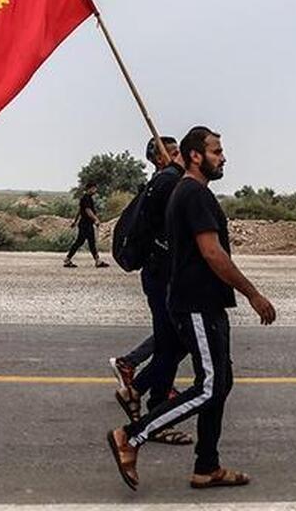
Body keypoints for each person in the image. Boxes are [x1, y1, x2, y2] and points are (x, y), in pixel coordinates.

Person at [107, 126, 277, 491]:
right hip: (196, 304)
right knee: (209, 387)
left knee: (221, 382)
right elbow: (213, 253)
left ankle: (207, 466)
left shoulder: (188, 191)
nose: (223, 157)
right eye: (216, 151)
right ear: (196, 156)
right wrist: (253, 294)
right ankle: (131, 436)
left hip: (206, 303)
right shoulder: (193, 194)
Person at [111, 136, 193, 446]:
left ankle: (138, 390)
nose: (179, 156)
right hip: (163, 277)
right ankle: (155, 414)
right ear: (160, 158)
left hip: (161, 275)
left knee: (172, 342)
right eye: (173, 153)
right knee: (173, 344)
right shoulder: (168, 184)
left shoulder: (166, 182)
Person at [64, 182, 107, 268]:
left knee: (90, 242)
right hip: (85, 224)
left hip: (85, 224)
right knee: (80, 242)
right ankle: (67, 259)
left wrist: (75, 221)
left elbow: (79, 211)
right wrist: (96, 220)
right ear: (90, 188)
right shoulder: (86, 198)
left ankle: (97, 261)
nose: (95, 190)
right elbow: (88, 210)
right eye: (94, 188)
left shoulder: (86, 198)